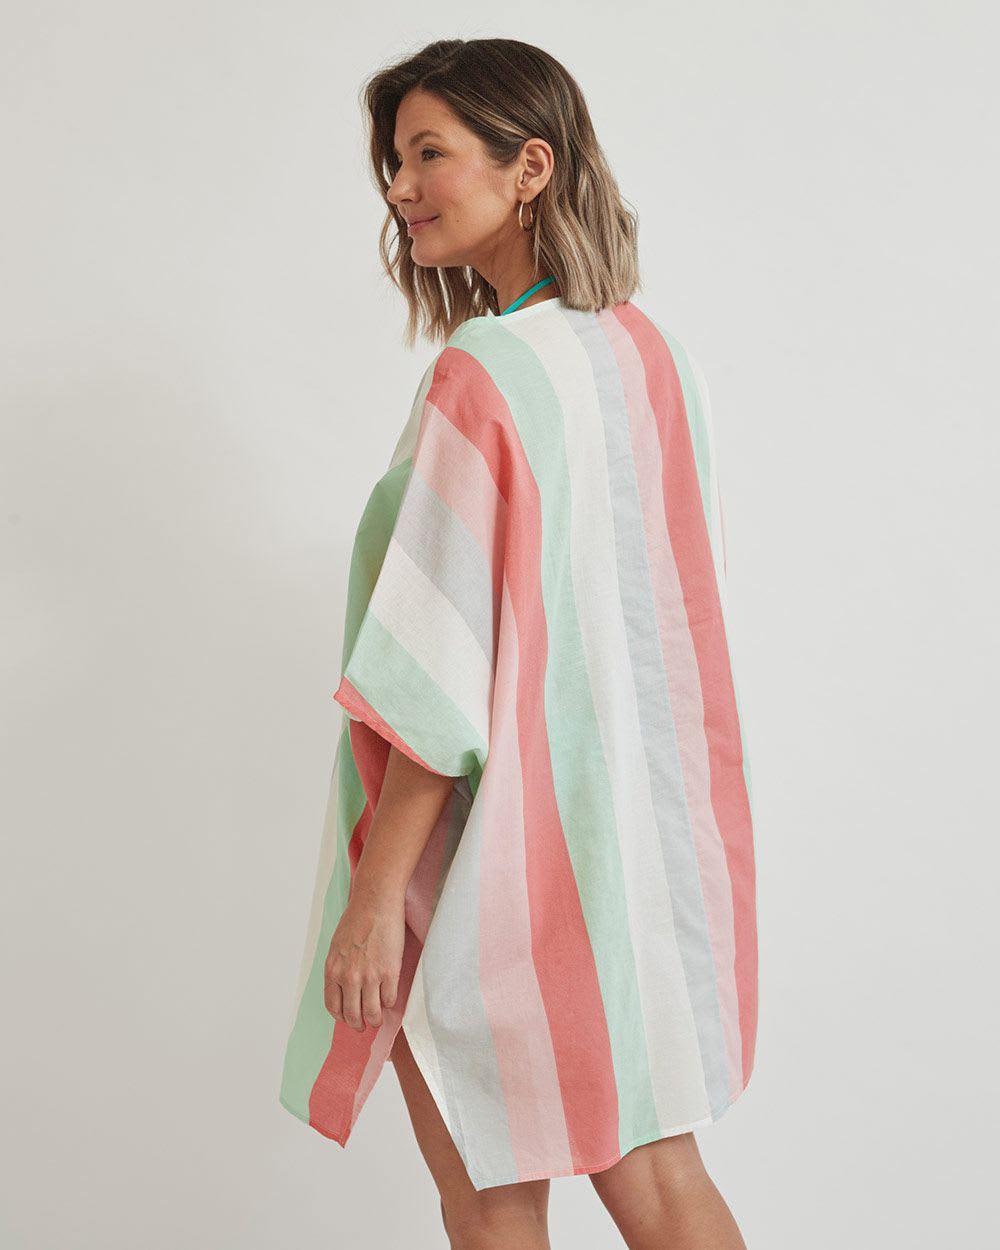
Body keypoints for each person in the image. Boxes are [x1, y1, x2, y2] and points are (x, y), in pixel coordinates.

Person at [279, 37, 758, 1250]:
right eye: (393, 162)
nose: (400, 188)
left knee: (490, 1197)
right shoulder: (653, 358)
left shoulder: (483, 372)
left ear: (529, 166)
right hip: (628, 850)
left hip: (483, 852)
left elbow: (433, 678)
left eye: (427, 154)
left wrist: (373, 901)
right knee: (659, 1174)